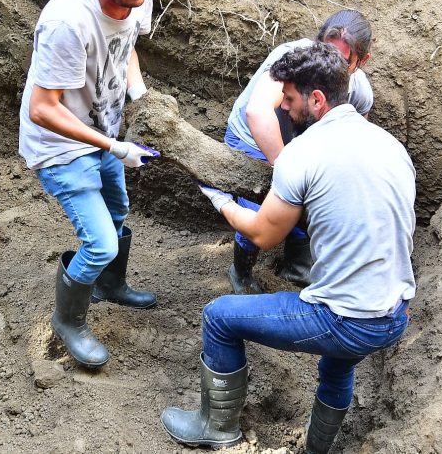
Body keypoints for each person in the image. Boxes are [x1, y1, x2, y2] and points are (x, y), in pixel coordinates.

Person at [161, 42, 416, 454]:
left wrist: (220, 200)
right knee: (338, 366)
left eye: (290, 97)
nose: (283, 104)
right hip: (393, 315)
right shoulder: (390, 147)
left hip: (344, 321)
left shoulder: (304, 152)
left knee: (218, 318)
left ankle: (215, 427)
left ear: (316, 99)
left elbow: (264, 235)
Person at [18, 0, 160, 368]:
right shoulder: (67, 22)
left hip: (103, 130)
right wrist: (113, 146)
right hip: (60, 142)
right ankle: (68, 320)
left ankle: (109, 286)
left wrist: (139, 95)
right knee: (100, 241)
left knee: (117, 212)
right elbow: (43, 108)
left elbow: (128, 44)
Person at [225, 11, 374, 294]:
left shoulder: (358, 90)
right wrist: (288, 172)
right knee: (263, 211)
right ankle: (241, 272)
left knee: (315, 200)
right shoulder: (292, 58)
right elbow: (257, 113)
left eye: (342, 62)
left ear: (361, 61)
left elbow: (353, 139)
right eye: (325, 51)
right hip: (254, 139)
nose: (329, 66)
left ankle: (297, 273)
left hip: (299, 148)